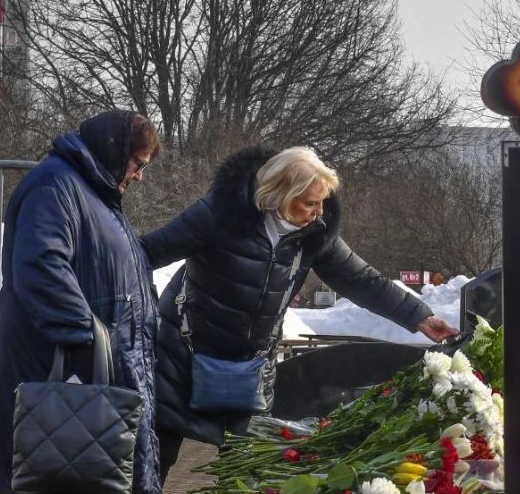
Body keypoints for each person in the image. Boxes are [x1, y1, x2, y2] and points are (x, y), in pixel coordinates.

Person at [143, 145, 458, 481]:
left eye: (322, 202)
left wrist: (419, 317)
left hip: (250, 368)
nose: (319, 212)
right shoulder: (219, 213)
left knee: (246, 468)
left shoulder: (315, 233)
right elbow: (147, 252)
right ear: (281, 194)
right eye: (310, 203)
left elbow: (361, 279)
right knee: (154, 459)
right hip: (181, 358)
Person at [0, 111, 163, 494]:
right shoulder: (55, 186)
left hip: (88, 370)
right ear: (115, 151)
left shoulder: (94, 193)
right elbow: (42, 267)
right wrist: (89, 342)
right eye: (138, 164)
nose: (139, 176)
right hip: (59, 372)